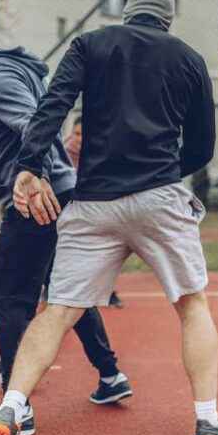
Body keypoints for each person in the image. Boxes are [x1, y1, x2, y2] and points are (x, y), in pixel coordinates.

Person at [0, 0, 218, 435]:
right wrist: (160, 173)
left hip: (93, 200)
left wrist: (29, 167)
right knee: (191, 304)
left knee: (57, 311)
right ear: (167, 18)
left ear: (127, 12)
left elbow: (51, 108)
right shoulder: (188, 59)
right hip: (159, 195)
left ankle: (10, 411)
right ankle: (208, 419)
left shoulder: (89, 44)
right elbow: (203, 147)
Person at [0, 15, 132, 435]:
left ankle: (18, 405)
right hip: (57, 190)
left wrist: (38, 177)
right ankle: (111, 375)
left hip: (37, 197)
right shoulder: (19, 69)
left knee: (8, 298)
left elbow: (35, 126)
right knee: (64, 291)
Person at [64, 116, 124, 310]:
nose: (79, 139)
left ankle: (108, 292)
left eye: (84, 134)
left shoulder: (101, 152)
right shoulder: (62, 153)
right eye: (77, 133)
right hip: (68, 209)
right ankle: (52, 290)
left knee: (104, 252)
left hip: (95, 207)